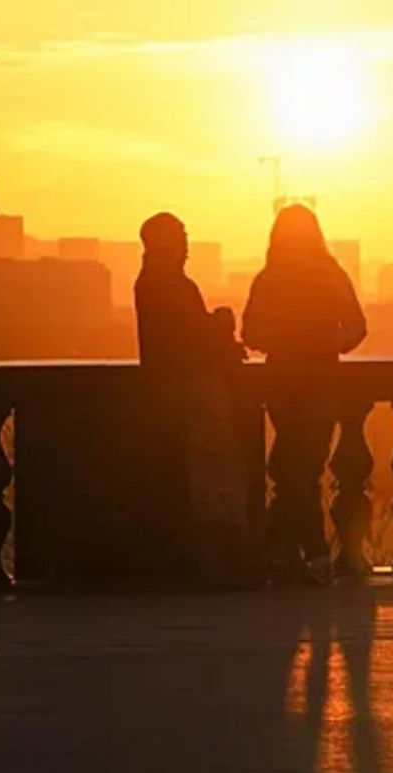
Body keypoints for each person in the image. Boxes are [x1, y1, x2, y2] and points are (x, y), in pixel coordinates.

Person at [242, 204, 367, 586]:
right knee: (302, 470)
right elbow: (253, 333)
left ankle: (291, 550)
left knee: (296, 470)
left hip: (305, 382)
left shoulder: (274, 278)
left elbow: (356, 328)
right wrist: (316, 341)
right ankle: (306, 553)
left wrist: (313, 341)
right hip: (300, 383)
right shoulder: (323, 274)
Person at [135, 213, 260, 589]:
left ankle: (215, 561)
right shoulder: (169, 284)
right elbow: (188, 339)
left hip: (174, 389)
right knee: (214, 475)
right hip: (194, 391)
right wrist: (220, 327)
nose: (187, 245)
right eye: (182, 237)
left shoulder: (152, 282)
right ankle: (221, 563)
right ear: (168, 244)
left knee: (204, 475)